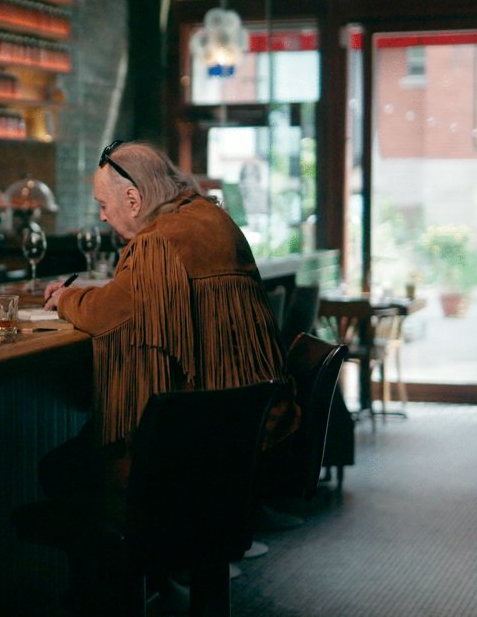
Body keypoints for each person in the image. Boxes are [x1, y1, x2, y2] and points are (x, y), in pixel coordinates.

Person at [39, 140, 295, 509]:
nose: (102, 217)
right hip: (250, 429)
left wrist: (65, 298)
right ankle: (186, 562)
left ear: (133, 199)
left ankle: (125, 563)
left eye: (103, 205)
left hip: (196, 446)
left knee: (60, 470)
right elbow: (142, 298)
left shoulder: (158, 242)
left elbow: (107, 315)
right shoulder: (209, 217)